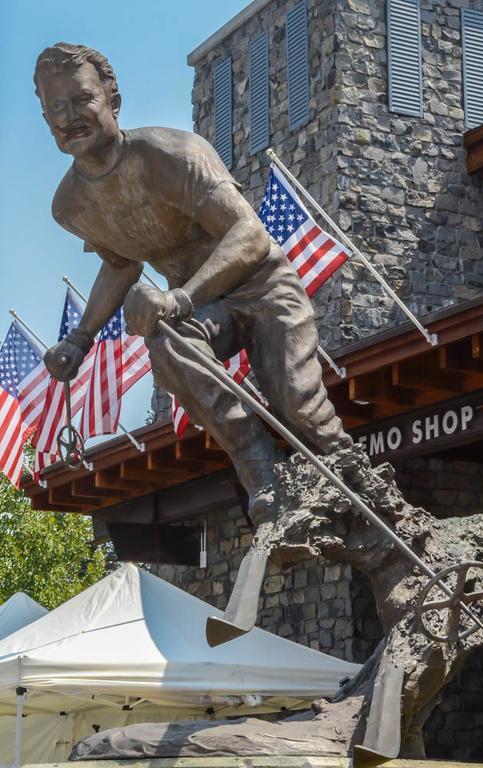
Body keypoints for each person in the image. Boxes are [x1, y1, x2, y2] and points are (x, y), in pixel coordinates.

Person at [35, 43, 350, 518]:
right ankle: (258, 469)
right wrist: (80, 340)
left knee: (296, 400)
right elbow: (122, 263)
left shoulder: (173, 155)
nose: (69, 117)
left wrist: (178, 297)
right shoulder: (70, 206)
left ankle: (354, 479)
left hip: (260, 287)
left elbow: (250, 235)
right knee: (171, 346)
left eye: (82, 100)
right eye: (55, 108)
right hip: (197, 307)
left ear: (112, 101)